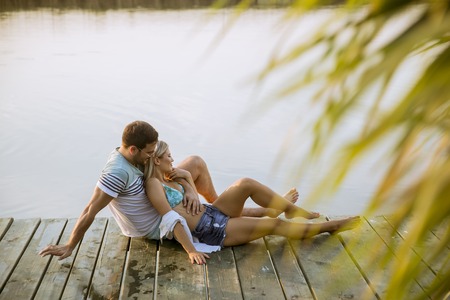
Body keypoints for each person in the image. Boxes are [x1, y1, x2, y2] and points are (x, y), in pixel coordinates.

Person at [39, 120, 305, 260]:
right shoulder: (118, 172)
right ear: (134, 150)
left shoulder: (129, 155)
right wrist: (70, 245)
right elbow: (90, 209)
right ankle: (231, 212)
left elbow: (160, 163)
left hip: (167, 198)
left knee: (195, 163)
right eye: (150, 153)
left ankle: (216, 206)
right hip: (153, 224)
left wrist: (189, 186)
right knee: (199, 191)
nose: (153, 155)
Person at [145, 141, 361, 265]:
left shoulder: (171, 176)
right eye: (169, 157)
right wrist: (191, 250)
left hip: (212, 212)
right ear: (156, 160)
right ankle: (329, 227)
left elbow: (191, 193)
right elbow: (171, 218)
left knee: (245, 183)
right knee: (273, 226)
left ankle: (292, 210)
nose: (173, 160)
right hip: (213, 230)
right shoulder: (154, 185)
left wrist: (188, 180)